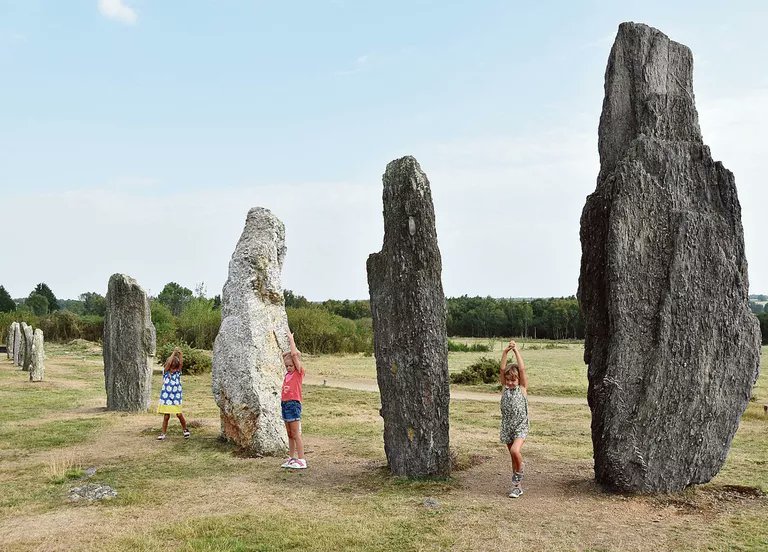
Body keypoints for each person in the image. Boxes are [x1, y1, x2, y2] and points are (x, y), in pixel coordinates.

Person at [499, 340, 529, 498]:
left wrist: (516, 351)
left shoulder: (522, 389)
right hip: (507, 426)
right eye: (508, 380)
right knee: (512, 456)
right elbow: (502, 368)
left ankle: (521, 466)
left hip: (520, 426)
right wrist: (505, 352)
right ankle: (517, 487)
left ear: (518, 380)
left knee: (515, 450)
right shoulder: (504, 388)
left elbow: (522, 369)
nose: (510, 383)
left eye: (513, 380)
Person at [277, 329, 306, 469]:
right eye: (287, 366)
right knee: (289, 434)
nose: (288, 368)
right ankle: (291, 458)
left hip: (294, 404)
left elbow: (294, 354)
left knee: (296, 433)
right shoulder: (287, 374)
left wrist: (291, 340)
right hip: (285, 404)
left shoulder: (299, 373)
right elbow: (286, 356)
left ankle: (302, 460)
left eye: (291, 366)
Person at [156, 347, 190, 440]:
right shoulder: (166, 373)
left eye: (175, 368)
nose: (174, 370)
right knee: (166, 416)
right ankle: (163, 433)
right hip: (167, 398)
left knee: (179, 415)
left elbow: (181, 364)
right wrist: (173, 353)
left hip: (176, 397)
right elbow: (168, 364)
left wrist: (180, 354)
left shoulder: (178, 373)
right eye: (173, 368)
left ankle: (185, 430)